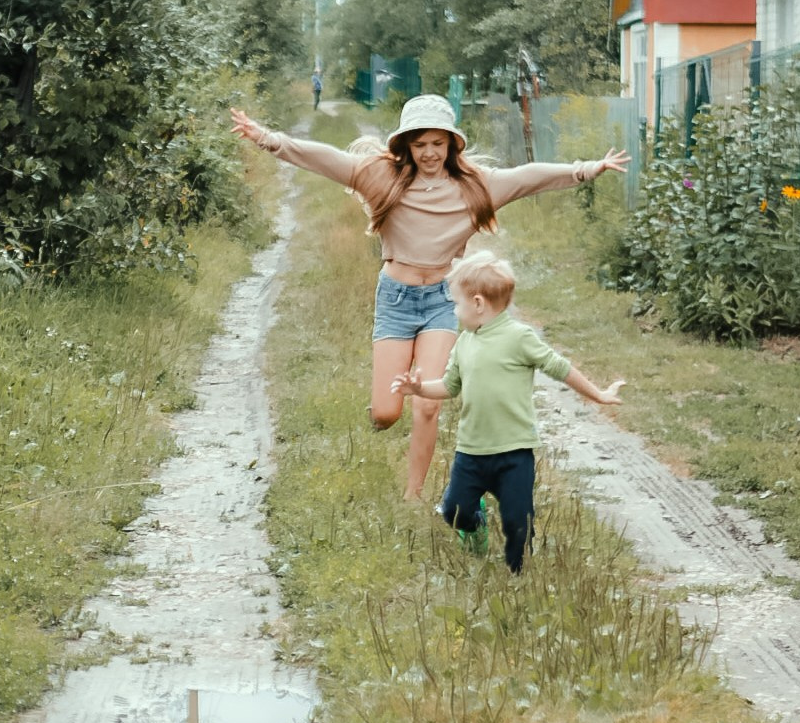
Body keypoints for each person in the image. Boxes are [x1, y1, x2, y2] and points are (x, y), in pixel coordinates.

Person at [230, 92, 629, 502]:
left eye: (437, 144)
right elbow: (326, 159)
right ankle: (383, 410)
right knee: (387, 413)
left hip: (442, 299)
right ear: (406, 146)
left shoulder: (476, 188)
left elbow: (529, 177)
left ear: (452, 144)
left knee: (427, 403)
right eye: (419, 145)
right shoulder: (381, 177)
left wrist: (586, 169)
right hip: (396, 300)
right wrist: (267, 138)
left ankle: (413, 497)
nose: (429, 153)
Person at [391, 251, 624, 572]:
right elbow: (449, 385)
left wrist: (597, 394)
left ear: (477, 303)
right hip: (471, 451)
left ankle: (519, 574)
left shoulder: (519, 338)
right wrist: (418, 389)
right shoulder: (464, 343)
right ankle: (475, 526)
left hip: (514, 453)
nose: (455, 311)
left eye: (456, 304)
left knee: (518, 522)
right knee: (454, 511)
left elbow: (560, 368)